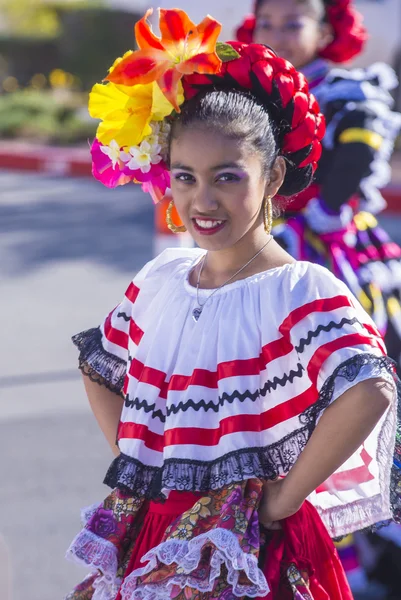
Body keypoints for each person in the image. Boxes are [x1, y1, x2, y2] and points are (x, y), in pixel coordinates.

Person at [65, 7, 401, 600]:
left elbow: (370, 388)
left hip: (247, 546)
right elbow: (101, 367)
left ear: (272, 178)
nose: (202, 199)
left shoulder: (300, 286)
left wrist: (283, 497)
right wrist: (141, 457)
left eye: (227, 177)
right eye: (185, 176)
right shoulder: (165, 274)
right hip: (154, 528)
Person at [236, 0, 401, 372]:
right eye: (266, 24)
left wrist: (328, 209)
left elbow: (358, 152)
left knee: (339, 351)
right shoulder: (242, 92)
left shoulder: (343, 91)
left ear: (324, 33)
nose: (277, 36)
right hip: (251, 237)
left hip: (322, 237)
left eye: (292, 25)